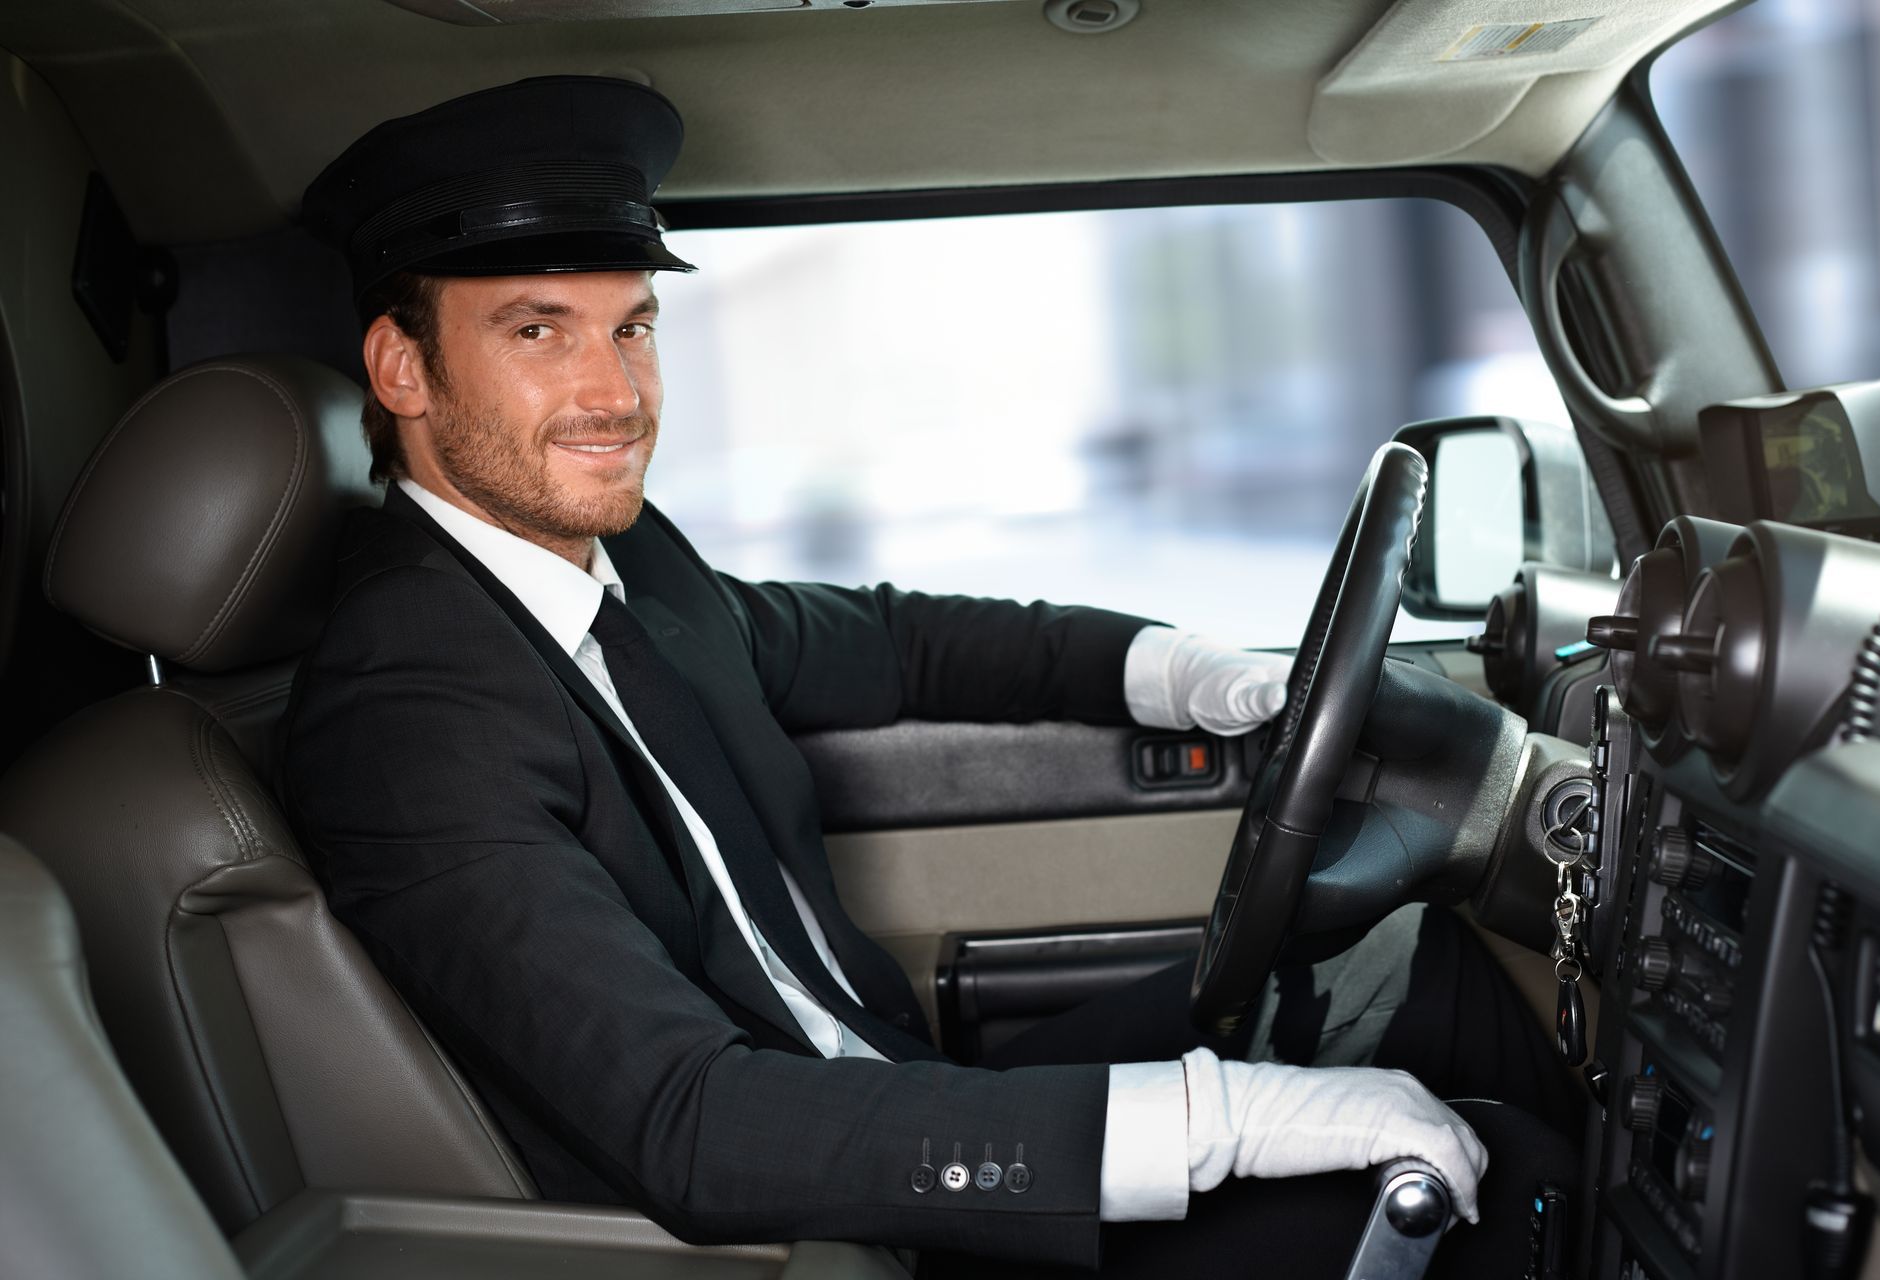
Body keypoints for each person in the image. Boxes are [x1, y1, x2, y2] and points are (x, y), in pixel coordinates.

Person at [283, 75, 1576, 1277]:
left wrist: (1179, 669)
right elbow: (692, 1124)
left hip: (876, 1080)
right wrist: (1211, 1125)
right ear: (403, 369)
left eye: (633, 325)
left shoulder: (618, 564)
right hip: (824, 1218)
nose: (614, 390)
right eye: (536, 329)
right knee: (1501, 1187)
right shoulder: (406, 709)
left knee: (1415, 961)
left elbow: (896, 639)